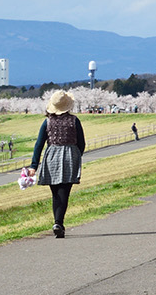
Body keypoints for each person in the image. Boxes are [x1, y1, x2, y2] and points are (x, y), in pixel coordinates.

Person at [28, 90, 87, 239]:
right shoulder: (74, 121)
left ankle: (57, 222)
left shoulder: (47, 122)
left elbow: (39, 144)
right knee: (64, 191)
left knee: (55, 193)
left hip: (51, 157)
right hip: (70, 157)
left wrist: (33, 166)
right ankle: (58, 223)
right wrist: (76, 155)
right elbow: (82, 143)